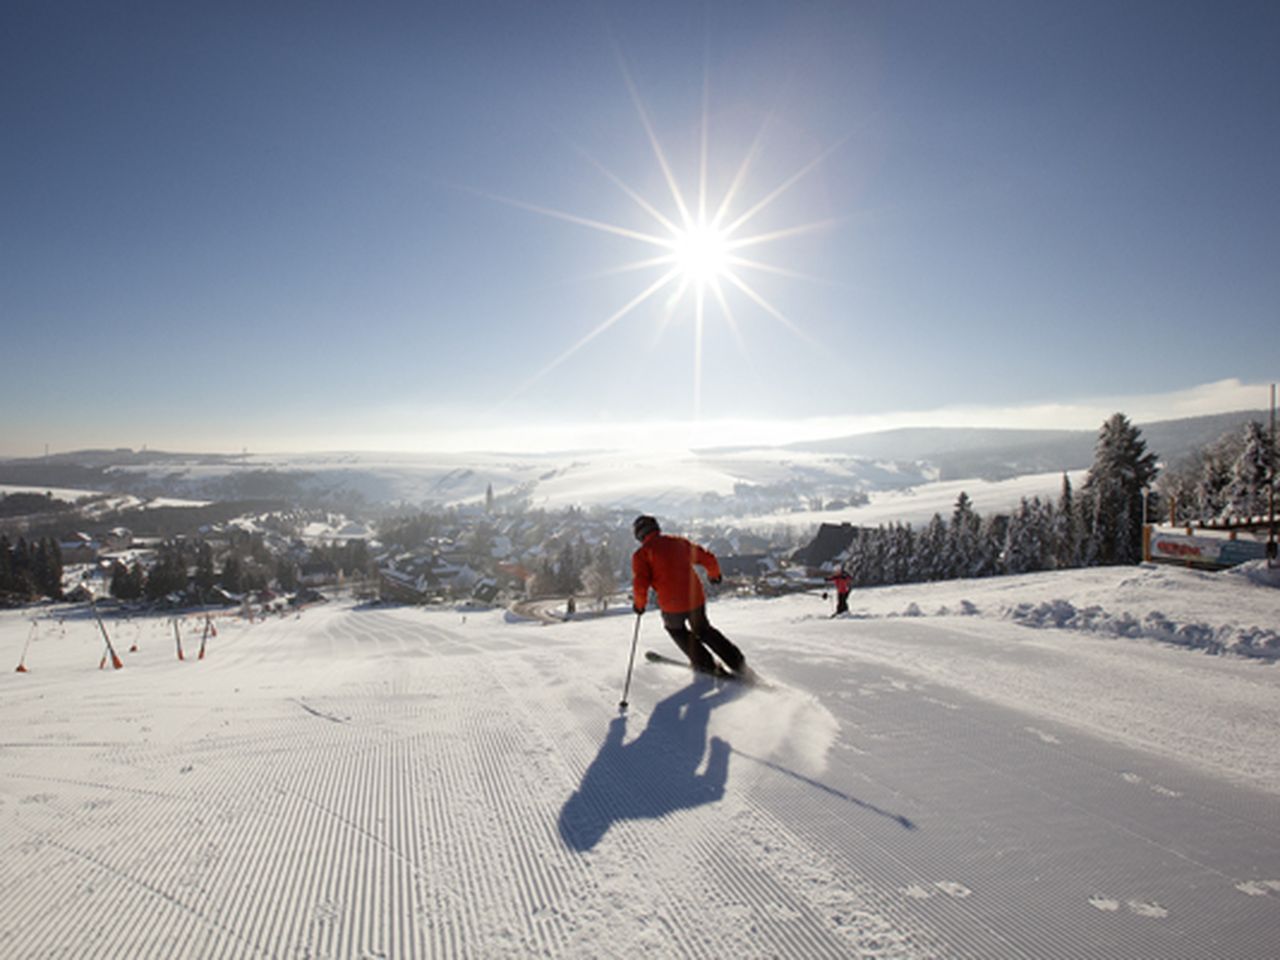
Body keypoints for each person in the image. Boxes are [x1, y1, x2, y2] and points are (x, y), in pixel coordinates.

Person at [630, 514, 748, 678]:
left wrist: (639, 605)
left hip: (671, 605)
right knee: (703, 629)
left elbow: (640, 584)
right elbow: (708, 558)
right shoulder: (678, 543)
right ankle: (736, 661)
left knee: (676, 630)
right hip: (695, 598)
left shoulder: (642, 555)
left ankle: (705, 663)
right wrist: (714, 575)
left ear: (639, 535)